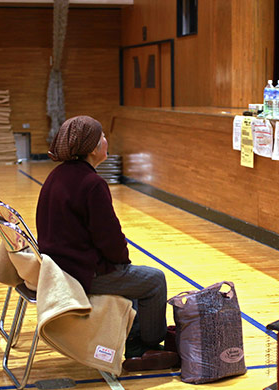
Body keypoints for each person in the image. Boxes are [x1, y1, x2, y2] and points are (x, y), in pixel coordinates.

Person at [36, 115, 179, 372]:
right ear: (93, 148)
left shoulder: (57, 175)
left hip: (60, 267)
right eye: (102, 136)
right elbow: (109, 239)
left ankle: (135, 339)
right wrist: (123, 265)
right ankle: (145, 346)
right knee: (154, 280)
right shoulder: (92, 184)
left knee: (136, 280)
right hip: (81, 271)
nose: (106, 140)